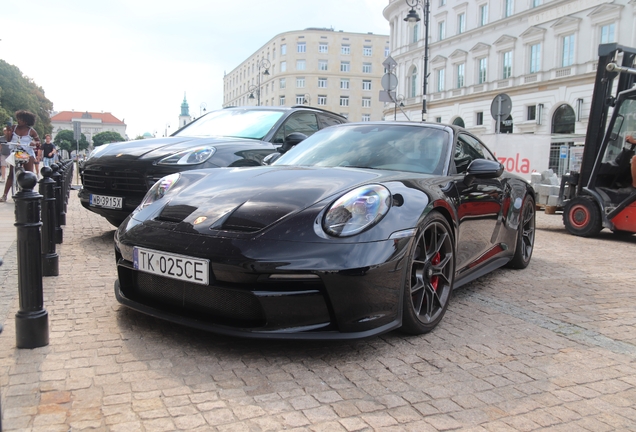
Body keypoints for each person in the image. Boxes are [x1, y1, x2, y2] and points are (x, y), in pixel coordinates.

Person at [0, 110, 40, 202]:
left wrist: (34, 143)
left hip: (27, 152)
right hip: (15, 152)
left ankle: (30, 192)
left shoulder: (31, 131)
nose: (18, 121)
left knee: (29, 173)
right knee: (11, 174)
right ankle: (5, 195)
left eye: (21, 119)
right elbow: (8, 139)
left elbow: (38, 142)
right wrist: (9, 133)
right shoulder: (13, 127)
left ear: (26, 121)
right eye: (18, 119)